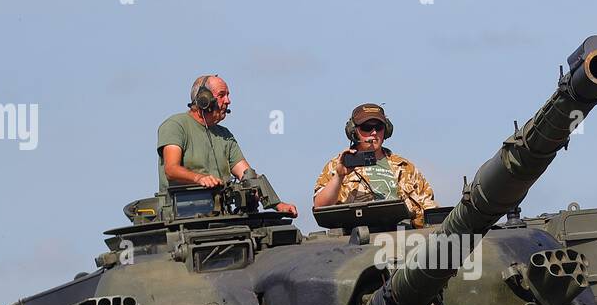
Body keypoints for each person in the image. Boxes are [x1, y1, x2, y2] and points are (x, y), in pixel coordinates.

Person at [157, 75, 297, 215]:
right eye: (222, 95)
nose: (228, 101)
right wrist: (199, 178)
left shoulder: (225, 135)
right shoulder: (175, 126)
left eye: (228, 95)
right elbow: (171, 169)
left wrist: (278, 205)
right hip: (183, 214)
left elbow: (247, 175)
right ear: (204, 99)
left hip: (220, 214)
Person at [313, 103, 437, 227]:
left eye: (379, 127)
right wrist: (339, 176)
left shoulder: (405, 167)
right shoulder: (338, 164)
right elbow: (320, 206)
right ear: (353, 131)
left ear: (387, 130)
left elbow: (429, 209)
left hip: (404, 237)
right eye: (366, 128)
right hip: (356, 239)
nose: (374, 133)